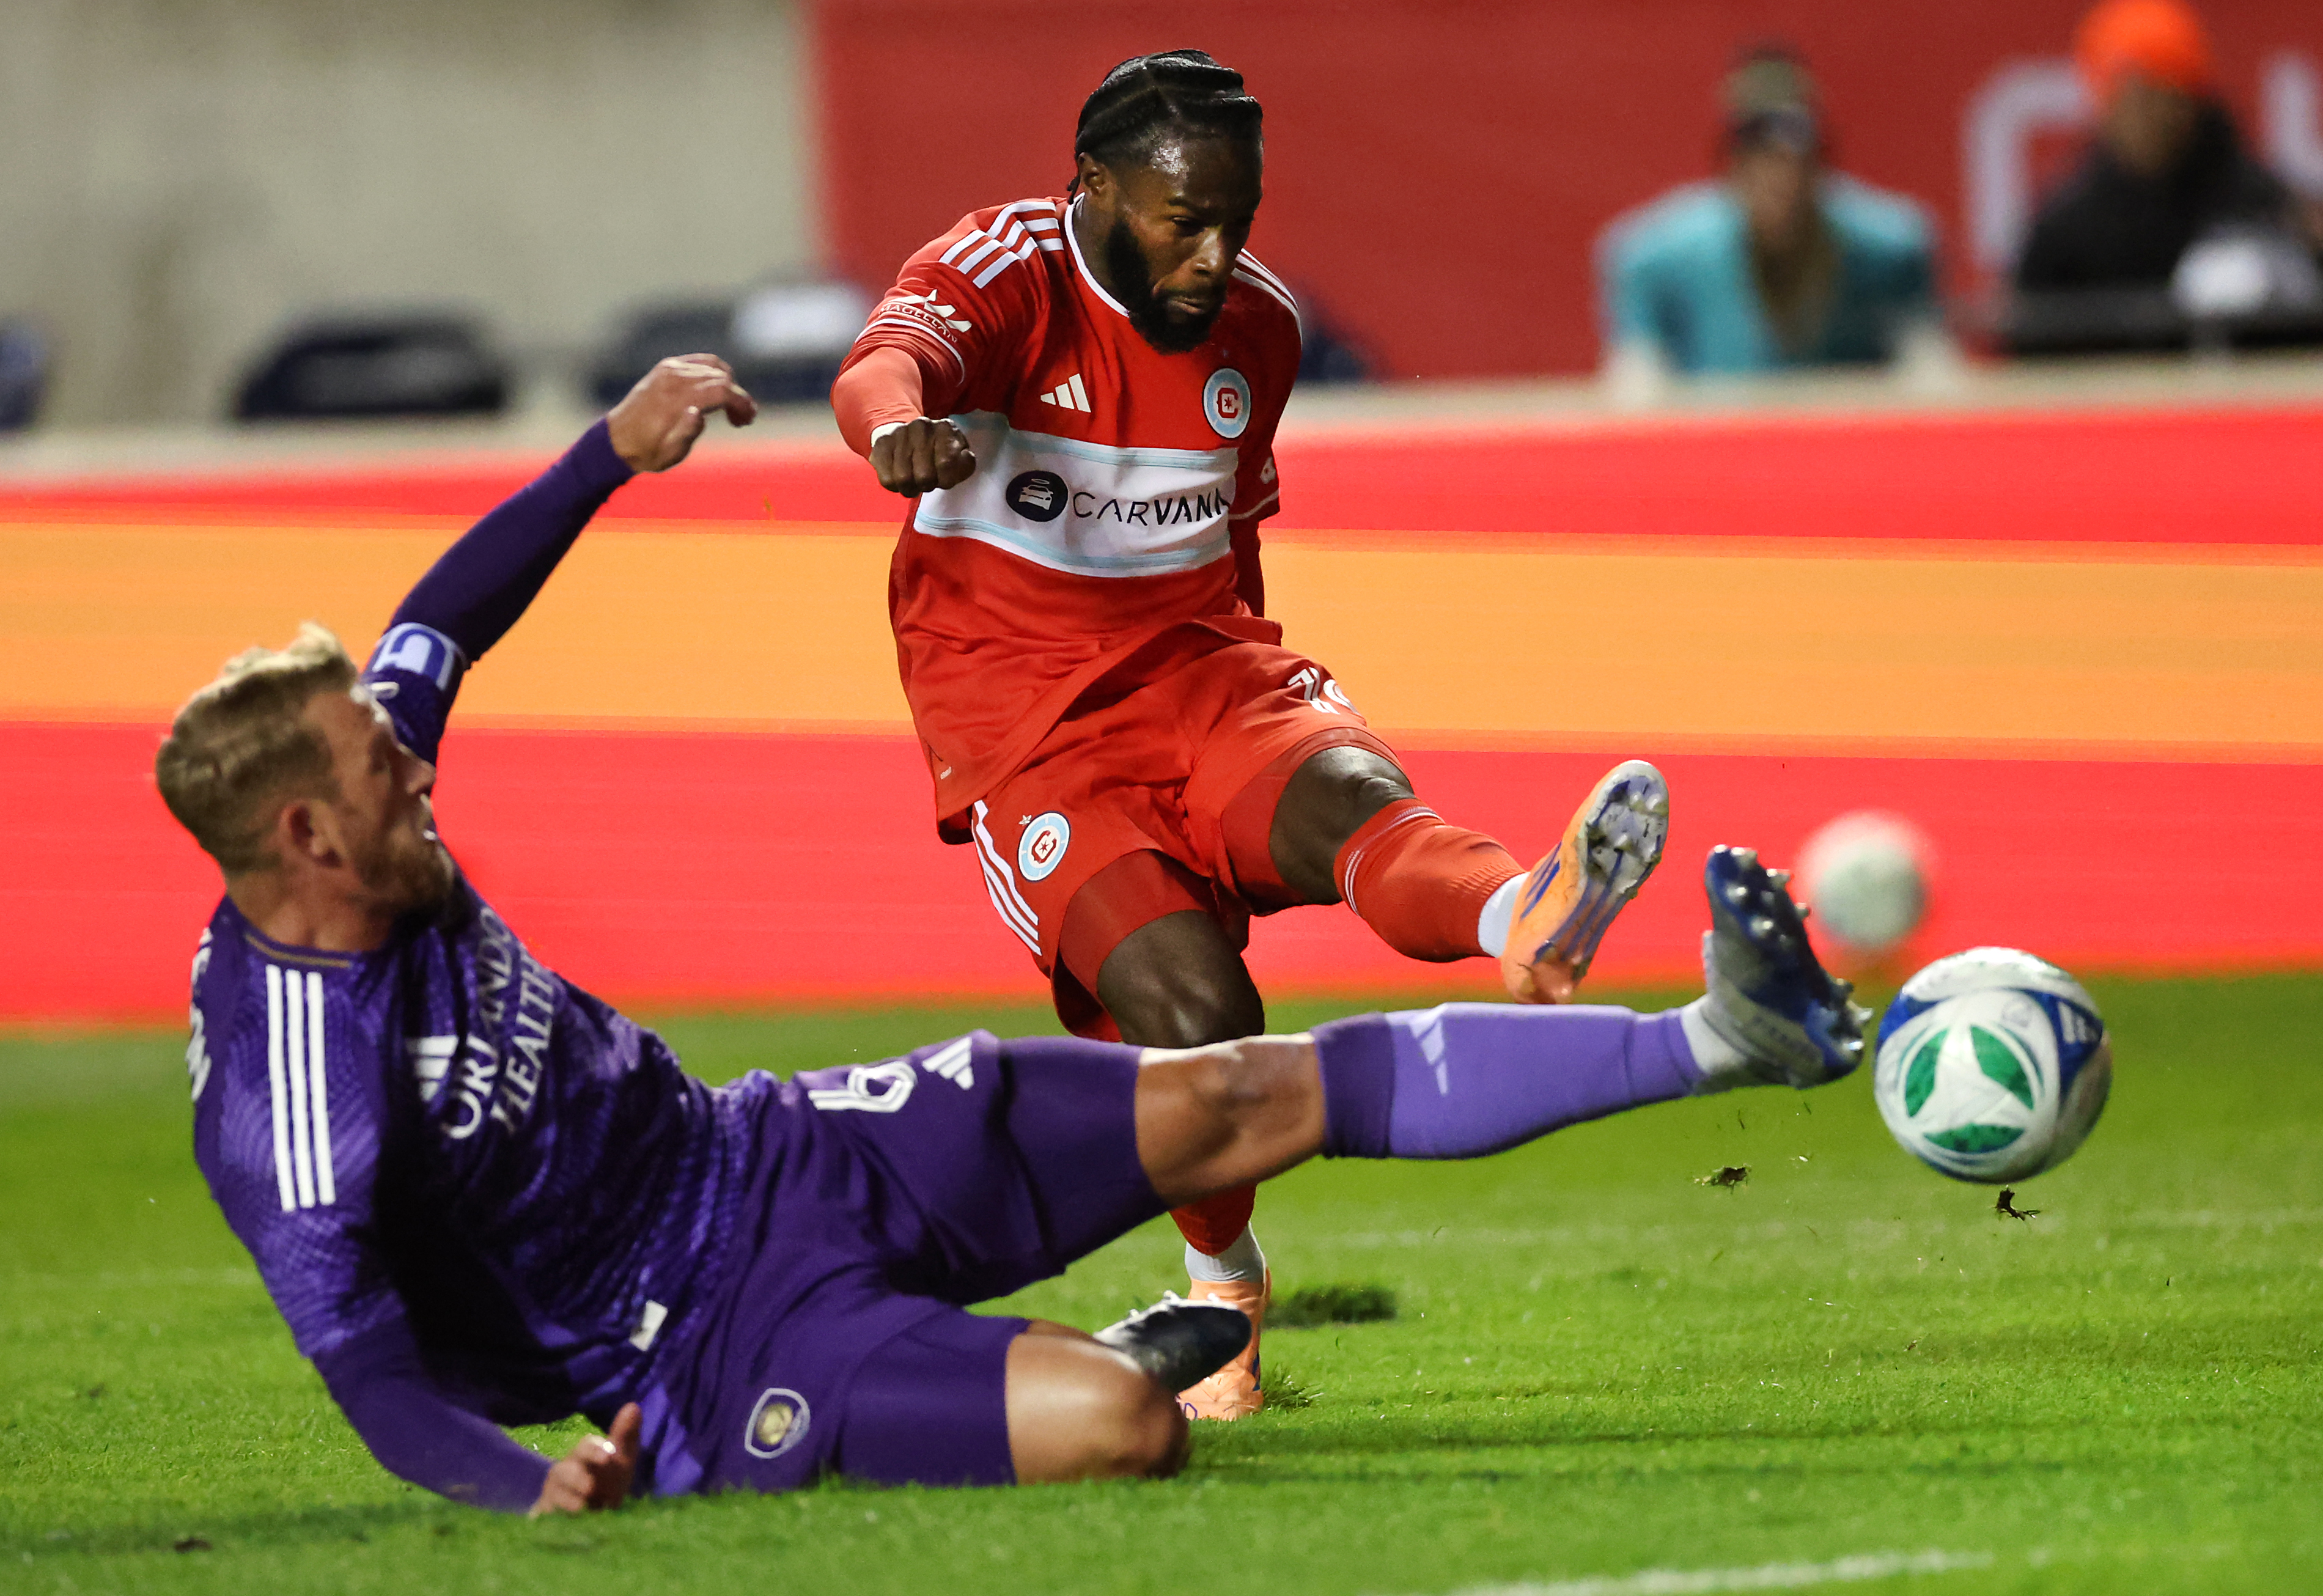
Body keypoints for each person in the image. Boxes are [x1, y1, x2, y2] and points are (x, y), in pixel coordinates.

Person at [157, 356, 1869, 1515]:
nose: (414, 763)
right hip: (704, 1348)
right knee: (1123, 1432)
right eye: (386, 771)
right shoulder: (291, 1088)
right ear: (304, 838)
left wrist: (609, 452)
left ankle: (1733, 1036)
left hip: (770, 1150)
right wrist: (521, 1479)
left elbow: (439, 618)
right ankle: (1071, 1363)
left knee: (1227, 1088)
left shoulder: (370, 811)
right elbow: (367, 1370)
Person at [828, 49, 1672, 1421]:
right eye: (1182, 220)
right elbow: (884, 364)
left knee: (1344, 794)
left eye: (1239, 217)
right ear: (1093, 187)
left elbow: (1234, 535)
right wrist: (899, 432)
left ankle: (1527, 909)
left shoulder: (1258, 333)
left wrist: (1266, 714)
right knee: (1202, 1019)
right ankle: (1224, 1289)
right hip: (1025, 725)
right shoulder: (1003, 271)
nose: (1215, 255)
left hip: (1201, 664)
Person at [1596, 48, 1943, 389]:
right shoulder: (1654, 259)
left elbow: (1931, 372)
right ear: (1732, 164)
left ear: (1821, 161)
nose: (1779, 179)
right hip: (1717, 438)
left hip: (1848, 438)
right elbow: (1636, 384)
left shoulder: (1892, 250)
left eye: (1795, 157)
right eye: (1760, 153)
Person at [2009, 0, 2323, 351]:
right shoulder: (2063, 236)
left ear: (2191, 96)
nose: (2146, 117)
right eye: (2127, 97)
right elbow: (2026, 361)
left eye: (2162, 91)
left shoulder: (2266, 208)